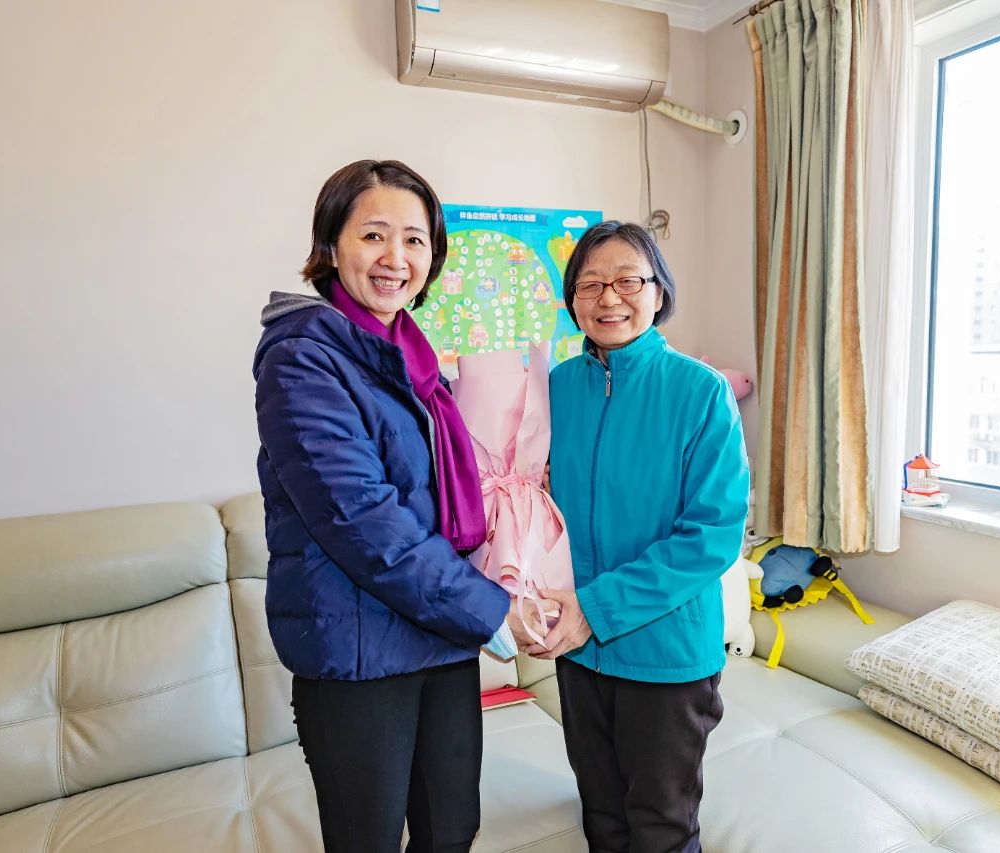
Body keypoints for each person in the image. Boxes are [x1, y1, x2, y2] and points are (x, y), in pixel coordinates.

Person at [253, 159, 533, 853]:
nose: (396, 258)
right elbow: (363, 520)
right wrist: (488, 607)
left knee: (451, 831)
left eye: (414, 240)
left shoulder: (410, 355)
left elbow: (442, 495)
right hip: (357, 651)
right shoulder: (302, 357)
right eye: (374, 235)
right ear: (331, 245)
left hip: (439, 634)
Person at [531, 220, 750, 852]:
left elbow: (711, 536)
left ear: (659, 292)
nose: (609, 298)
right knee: (601, 816)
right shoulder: (555, 388)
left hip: (666, 655)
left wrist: (595, 609)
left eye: (628, 280)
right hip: (578, 651)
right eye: (590, 284)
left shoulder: (700, 392)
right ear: (572, 299)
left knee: (661, 829)